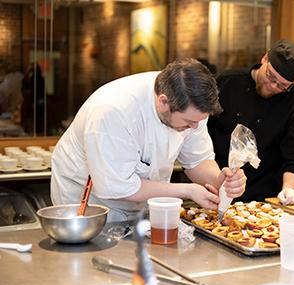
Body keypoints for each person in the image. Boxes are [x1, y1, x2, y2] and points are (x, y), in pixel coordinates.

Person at [51, 58, 246, 222]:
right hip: (90, 200)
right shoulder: (113, 112)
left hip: (144, 198)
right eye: (189, 122)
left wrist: (220, 180)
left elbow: (197, 160)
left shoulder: (190, 105)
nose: (194, 127)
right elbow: (118, 187)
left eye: (198, 122)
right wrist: (188, 191)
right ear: (163, 102)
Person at [208, 39, 294, 205]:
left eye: (282, 86)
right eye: (270, 76)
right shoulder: (228, 83)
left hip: (265, 200)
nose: (272, 86)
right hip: (216, 189)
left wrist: (289, 189)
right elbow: (202, 136)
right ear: (264, 59)